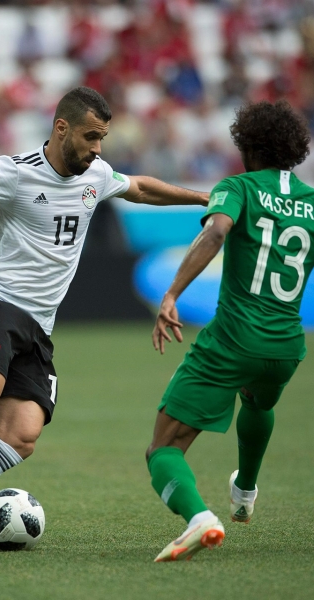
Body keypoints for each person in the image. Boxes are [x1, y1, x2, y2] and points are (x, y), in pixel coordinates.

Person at [0, 86, 208, 534]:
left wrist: (203, 198)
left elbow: (139, 187)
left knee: (22, 434)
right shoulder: (14, 173)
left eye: (102, 138)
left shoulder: (96, 174)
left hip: (39, 325)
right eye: (90, 137)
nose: (97, 148)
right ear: (61, 128)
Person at [146, 99, 313, 562]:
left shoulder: (237, 186)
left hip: (234, 339)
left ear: (246, 147)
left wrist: (172, 294)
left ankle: (200, 518)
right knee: (259, 399)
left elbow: (217, 231)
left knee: (163, 448)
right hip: (286, 345)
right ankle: (245, 490)